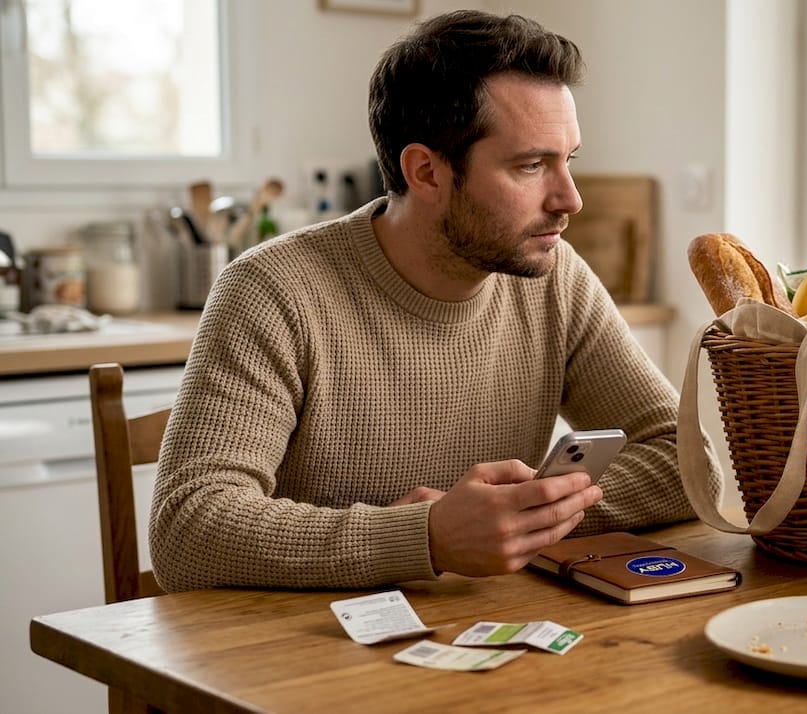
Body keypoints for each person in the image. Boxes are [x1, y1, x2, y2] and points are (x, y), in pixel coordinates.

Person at [149, 9, 714, 592]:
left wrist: (519, 518)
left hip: (480, 633)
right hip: (306, 654)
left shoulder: (554, 278)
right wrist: (424, 537)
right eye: (530, 165)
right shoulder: (273, 290)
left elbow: (687, 460)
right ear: (426, 172)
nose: (569, 198)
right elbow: (188, 530)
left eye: (568, 159)